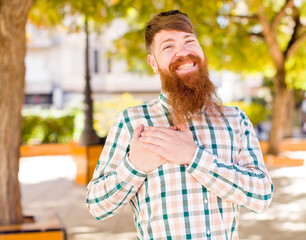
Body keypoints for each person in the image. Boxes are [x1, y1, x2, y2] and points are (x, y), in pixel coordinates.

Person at [86, 10, 273, 239]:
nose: (183, 52)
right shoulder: (131, 123)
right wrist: (135, 165)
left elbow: (262, 197)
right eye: (168, 47)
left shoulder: (235, 120)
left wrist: (194, 157)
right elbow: (96, 206)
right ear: (153, 63)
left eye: (189, 41)